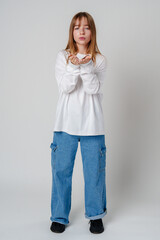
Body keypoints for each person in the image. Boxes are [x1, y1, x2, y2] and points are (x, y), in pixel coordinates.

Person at [50, 11, 107, 234]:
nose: (81, 31)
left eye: (85, 27)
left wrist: (85, 65)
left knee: (95, 173)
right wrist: (74, 66)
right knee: (61, 171)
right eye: (76, 27)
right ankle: (59, 216)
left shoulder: (100, 60)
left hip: (93, 126)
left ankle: (96, 216)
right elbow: (66, 87)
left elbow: (93, 89)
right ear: (71, 32)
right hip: (65, 125)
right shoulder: (62, 56)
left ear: (92, 31)